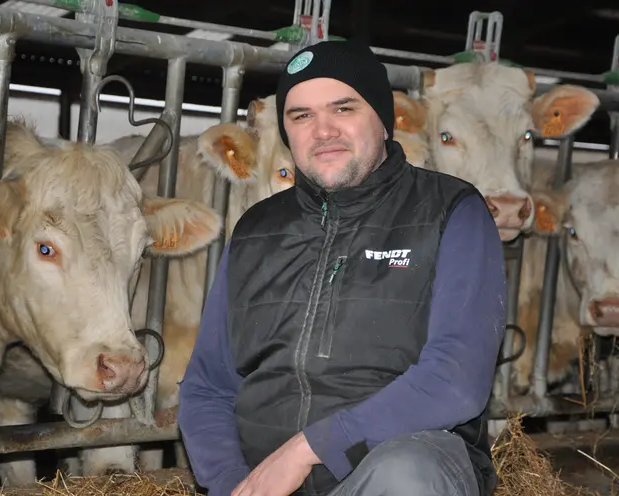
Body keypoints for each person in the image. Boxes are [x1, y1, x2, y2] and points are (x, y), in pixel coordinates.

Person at [178, 39, 507, 496]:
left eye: (344, 108)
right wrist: (234, 484)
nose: (323, 130)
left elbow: (455, 380)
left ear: (383, 119)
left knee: (408, 475)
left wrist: (308, 448)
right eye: (301, 116)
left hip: (389, 471)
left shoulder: (450, 210)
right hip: (263, 485)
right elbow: (208, 388)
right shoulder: (256, 230)